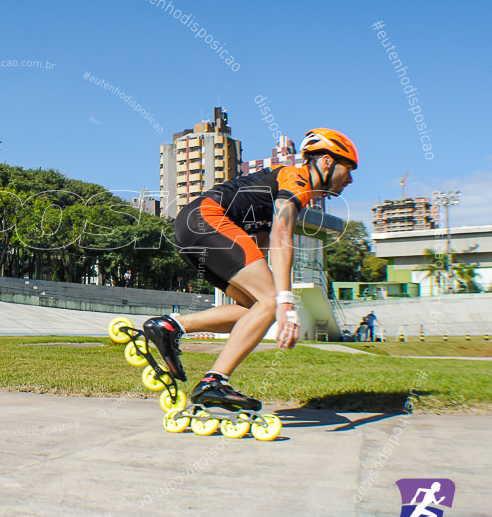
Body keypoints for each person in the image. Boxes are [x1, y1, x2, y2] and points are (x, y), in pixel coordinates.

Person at [140, 128, 358, 411]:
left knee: (255, 308)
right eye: (348, 169)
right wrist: (285, 304)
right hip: (207, 221)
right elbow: (282, 236)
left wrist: (269, 296)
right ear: (327, 161)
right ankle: (214, 381)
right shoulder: (298, 178)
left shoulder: (280, 184)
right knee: (269, 302)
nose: (350, 179)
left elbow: (263, 242)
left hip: (191, 229)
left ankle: (171, 326)